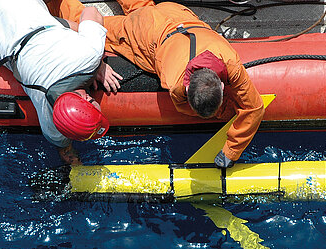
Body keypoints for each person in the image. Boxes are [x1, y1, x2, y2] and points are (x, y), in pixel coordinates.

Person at [46, 0, 265, 168]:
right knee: (91, 25)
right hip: (147, 34)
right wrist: (229, 148)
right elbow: (252, 108)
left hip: (174, 14)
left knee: (142, 7)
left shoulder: (227, 63)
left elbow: (254, 109)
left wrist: (229, 150)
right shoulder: (180, 82)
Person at [0, 0, 120, 165]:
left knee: (79, 29)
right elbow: (66, 153)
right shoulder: (49, 121)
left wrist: (98, 60)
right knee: (63, 28)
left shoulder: (88, 56)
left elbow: (92, 12)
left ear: (87, 99)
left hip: (18, 11)